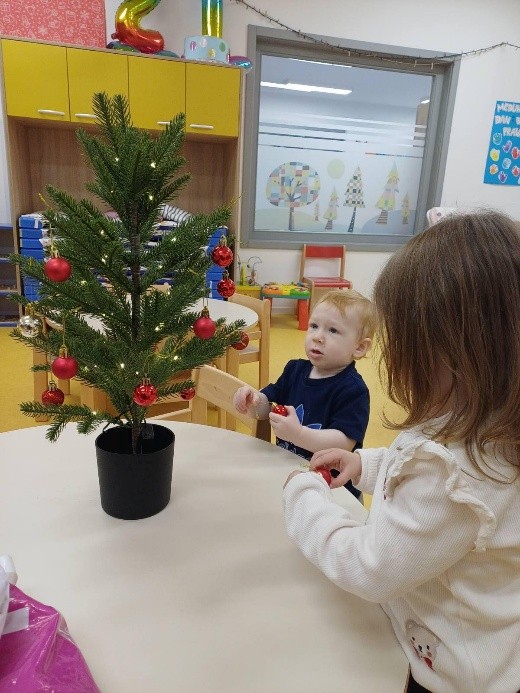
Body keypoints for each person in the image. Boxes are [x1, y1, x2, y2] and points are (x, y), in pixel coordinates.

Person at [282, 211, 520, 693]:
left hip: (444, 674)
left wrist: (301, 498)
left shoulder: (455, 474)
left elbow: (368, 566)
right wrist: (363, 465)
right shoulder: (482, 421)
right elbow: (415, 467)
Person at [233, 289, 376, 498]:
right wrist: (254, 400)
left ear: (360, 347)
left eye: (333, 330)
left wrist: (298, 434)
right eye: (314, 326)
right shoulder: (294, 370)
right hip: (289, 474)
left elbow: (343, 443)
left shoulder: (354, 390)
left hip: (333, 492)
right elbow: (267, 407)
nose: (317, 337)